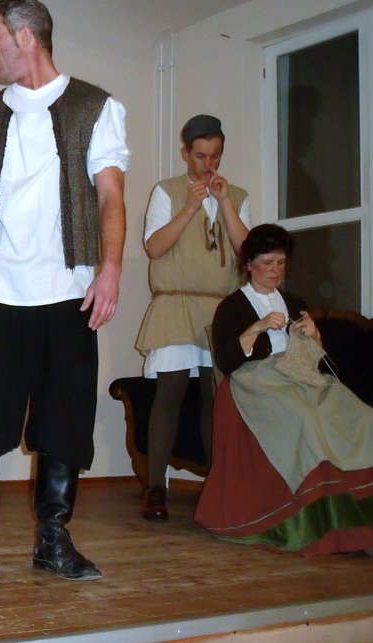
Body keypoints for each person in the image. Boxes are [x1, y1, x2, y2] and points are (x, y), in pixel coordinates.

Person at [0, 0, 129, 583]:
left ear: (26, 36)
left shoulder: (96, 107)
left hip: (68, 292)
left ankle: (54, 540)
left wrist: (111, 269)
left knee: (64, 421)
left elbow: (111, 195)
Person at [195, 224, 373, 556]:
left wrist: (315, 335)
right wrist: (257, 327)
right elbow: (228, 361)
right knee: (308, 422)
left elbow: (317, 361)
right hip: (257, 380)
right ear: (249, 264)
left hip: (301, 376)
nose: (275, 270)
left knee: (365, 419)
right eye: (267, 263)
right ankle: (334, 529)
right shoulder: (232, 307)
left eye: (281, 263)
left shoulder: (294, 302)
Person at [134, 115, 249, 521]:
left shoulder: (237, 196)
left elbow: (247, 253)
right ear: (185, 153)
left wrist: (226, 204)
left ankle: (216, 487)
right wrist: (190, 206)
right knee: (170, 392)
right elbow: (154, 247)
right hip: (176, 305)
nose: (208, 164)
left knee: (214, 398)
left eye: (215, 156)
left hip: (220, 310)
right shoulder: (166, 191)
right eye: (200, 156)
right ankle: (155, 487)